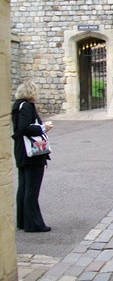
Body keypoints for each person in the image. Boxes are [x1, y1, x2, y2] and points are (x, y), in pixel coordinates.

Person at [11, 80, 54, 233]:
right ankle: (33, 224)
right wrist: (44, 128)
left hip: (21, 151)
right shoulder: (27, 107)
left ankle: (23, 221)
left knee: (23, 187)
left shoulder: (17, 106)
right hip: (32, 153)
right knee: (31, 189)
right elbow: (24, 128)